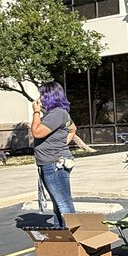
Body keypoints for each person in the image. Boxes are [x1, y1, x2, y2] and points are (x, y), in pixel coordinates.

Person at [30, 81, 76, 229]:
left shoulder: (56, 114)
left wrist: (36, 112)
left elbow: (36, 132)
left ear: (50, 96)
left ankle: (74, 237)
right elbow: (73, 129)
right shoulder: (58, 114)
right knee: (58, 201)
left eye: (43, 94)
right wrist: (62, 145)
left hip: (54, 164)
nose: (40, 98)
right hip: (52, 162)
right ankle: (61, 235)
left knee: (63, 202)